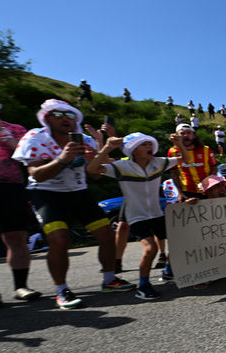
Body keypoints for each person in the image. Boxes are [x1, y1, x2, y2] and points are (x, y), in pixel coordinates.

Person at [12, 99, 136, 309]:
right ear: (47, 118)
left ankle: (109, 280)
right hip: (46, 194)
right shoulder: (35, 137)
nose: (65, 119)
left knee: (106, 234)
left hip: (78, 192)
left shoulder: (84, 139)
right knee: (60, 239)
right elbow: (36, 175)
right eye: (58, 115)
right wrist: (62, 159)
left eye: (69, 115)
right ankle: (61, 290)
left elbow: (95, 176)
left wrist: (95, 157)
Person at [87, 132, 189, 299]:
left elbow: (185, 159)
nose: (149, 147)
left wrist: (179, 144)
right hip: (136, 217)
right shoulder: (122, 166)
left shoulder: (158, 162)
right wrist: (107, 147)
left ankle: (168, 271)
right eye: (144, 145)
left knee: (180, 240)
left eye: (150, 144)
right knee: (151, 249)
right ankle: (143, 285)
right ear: (133, 150)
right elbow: (91, 169)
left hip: (156, 214)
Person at [0, 99, 41, 306]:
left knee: (16, 238)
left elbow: (28, 158)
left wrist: (4, 136)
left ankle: (21, 286)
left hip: (12, 187)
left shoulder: (16, 129)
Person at [168, 123, 218, 200]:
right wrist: (179, 192)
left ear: (194, 135)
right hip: (187, 192)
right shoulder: (173, 152)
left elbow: (214, 168)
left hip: (207, 190)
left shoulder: (206, 150)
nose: (185, 136)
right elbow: (174, 173)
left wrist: (208, 185)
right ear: (177, 136)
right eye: (182, 133)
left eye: (188, 133)